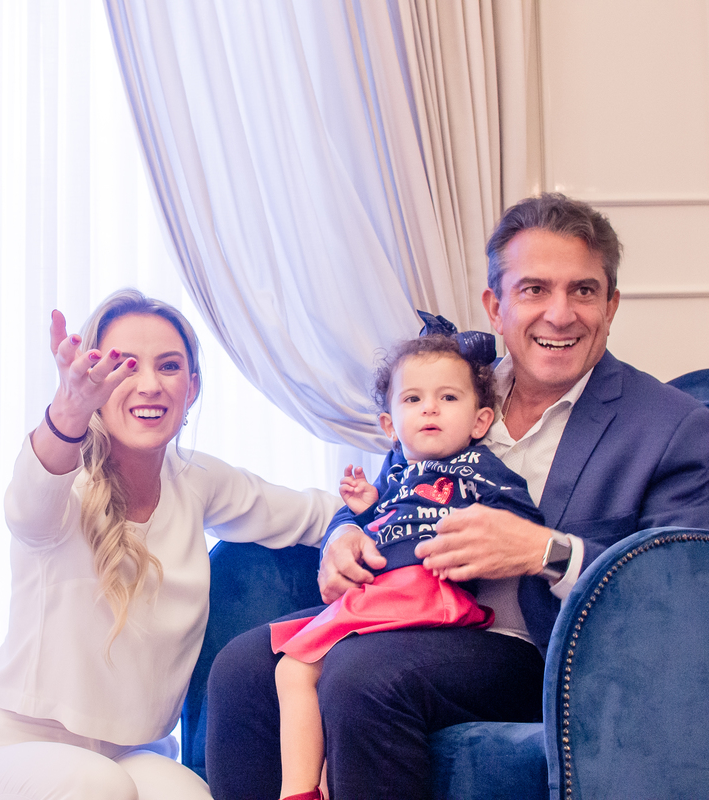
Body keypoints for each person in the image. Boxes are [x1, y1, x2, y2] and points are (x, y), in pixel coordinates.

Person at [205, 193, 709, 800]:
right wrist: (343, 533)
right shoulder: (450, 388)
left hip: (540, 652)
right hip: (406, 611)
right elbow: (392, 486)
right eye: (534, 289)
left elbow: (682, 591)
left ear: (611, 305)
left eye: (583, 290)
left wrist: (544, 551)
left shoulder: (671, 427)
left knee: (360, 678)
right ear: (495, 307)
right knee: (242, 668)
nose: (560, 314)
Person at [0, 289, 342, 800]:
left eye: (168, 367)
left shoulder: (197, 480)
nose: (149, 385)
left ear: (191, 388)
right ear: (95, 380)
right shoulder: (65, 484)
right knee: (97, 787)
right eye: (124, 365)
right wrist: (68, 412)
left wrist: (357, 529)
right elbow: (27, 508)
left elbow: (315, 514)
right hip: (9, 750)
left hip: (129, 755)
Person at [272, 333, 543, 800]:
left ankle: (298, 793)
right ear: (390, 425)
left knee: (305, 667)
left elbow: (522, 521)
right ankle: (312, 788)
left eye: (448, 398)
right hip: (384, 591)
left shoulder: (478, 468)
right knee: (294, 670)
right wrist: (361, 512)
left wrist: (497, 531)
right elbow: (379, 520)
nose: (430, 408)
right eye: (413, 399)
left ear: (480, 421)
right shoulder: (397, 470)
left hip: (423, 593)